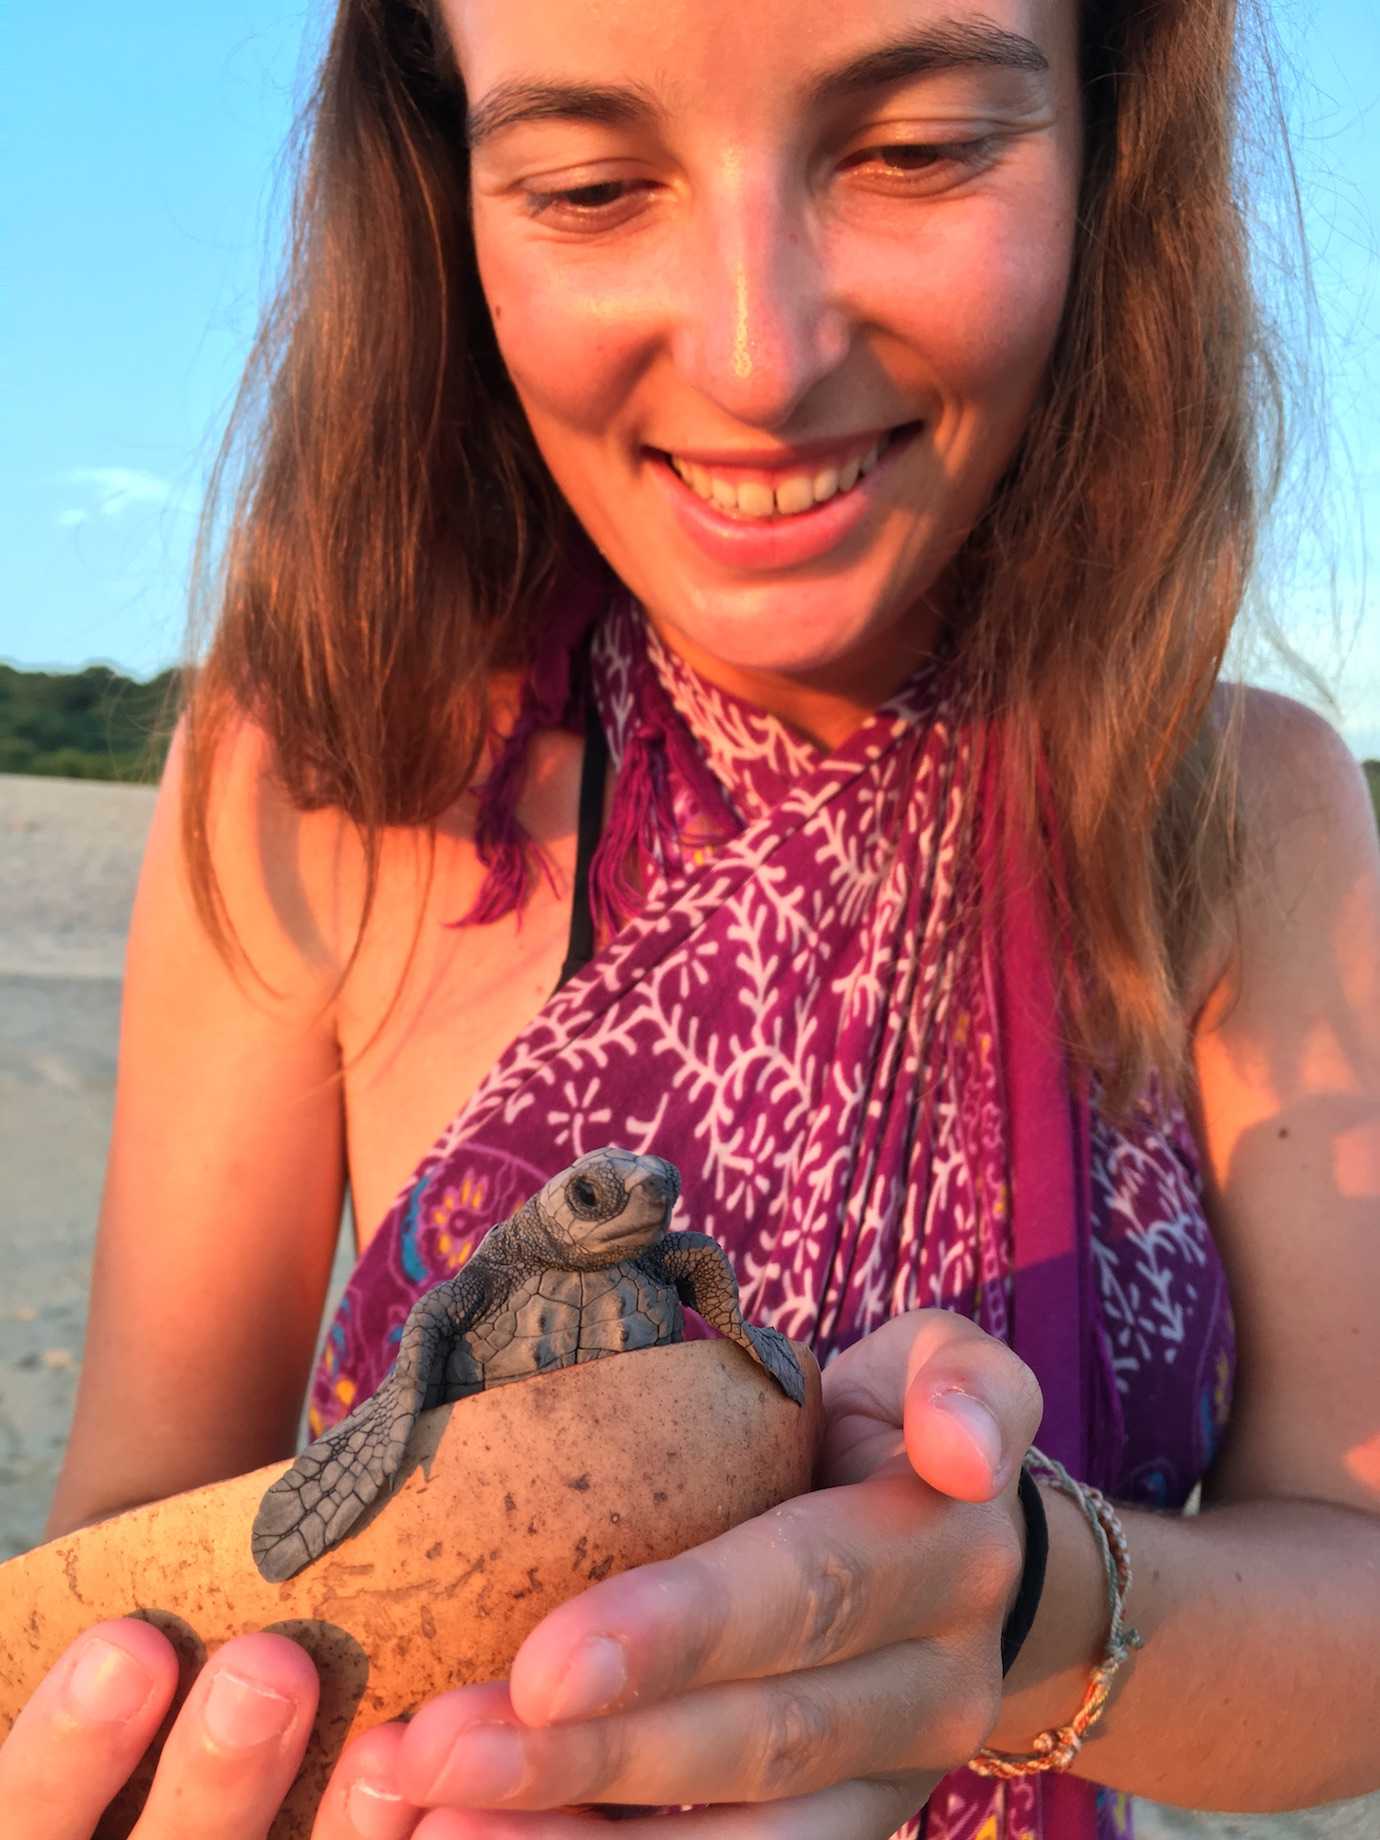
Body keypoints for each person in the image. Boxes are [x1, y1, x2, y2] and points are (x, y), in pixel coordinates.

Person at [4, 0, 1378, 1834]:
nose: (756, 356)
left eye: (915, 147)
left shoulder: (1243, 810)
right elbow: (140, 1549)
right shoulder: (325, 774)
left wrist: (1016, 1613)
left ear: (1113, 137)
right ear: (445, 192)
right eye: (588, 181)